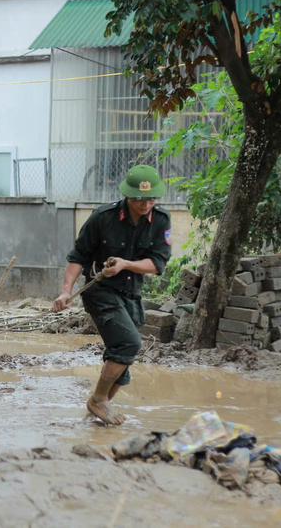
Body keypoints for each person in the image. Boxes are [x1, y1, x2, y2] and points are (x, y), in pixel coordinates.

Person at [52, 164, 172, 425]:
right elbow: (78, 256)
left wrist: (126, 264)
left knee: (122, 357)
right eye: (140, 199)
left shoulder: (161, 220)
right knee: (129, 343)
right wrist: (65, 292)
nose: (145, 204)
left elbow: (158, 263)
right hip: (100, 291)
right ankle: (97, 400)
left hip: (131, 293)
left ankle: (97, 410)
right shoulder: (102, 217)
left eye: (151, 198)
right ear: (128, 195)